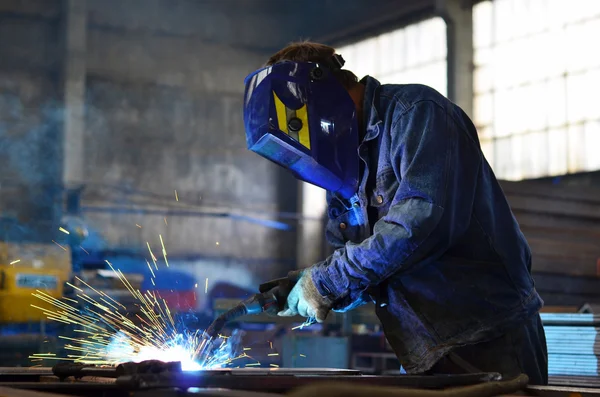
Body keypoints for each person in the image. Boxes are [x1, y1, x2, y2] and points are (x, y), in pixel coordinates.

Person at [242, 41, 548, 384]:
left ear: (320, 96)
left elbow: (420, 225)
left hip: (490, 338)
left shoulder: (417, 114)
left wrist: (325, 281)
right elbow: (368, 265)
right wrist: (309, 283)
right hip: (423, 350)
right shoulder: (347, 166)